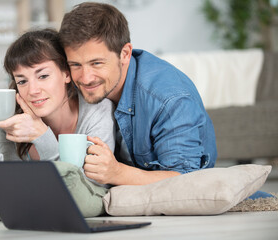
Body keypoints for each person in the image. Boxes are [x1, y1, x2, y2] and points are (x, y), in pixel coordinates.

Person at [59, 2, 217, 186]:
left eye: (96, 63)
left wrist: (117, 173)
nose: (85, 79)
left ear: (125, 53)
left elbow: (185, 180)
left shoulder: (168, 100)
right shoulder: (75, 83)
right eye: (75, 64)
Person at [0, 29, 115, 167]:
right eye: (22, 81)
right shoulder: (13, 120)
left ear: (66, 74)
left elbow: (86, 189)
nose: (33, 91)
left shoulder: (97, 111)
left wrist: (42, 136)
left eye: (43, 76)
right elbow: (4, 186)